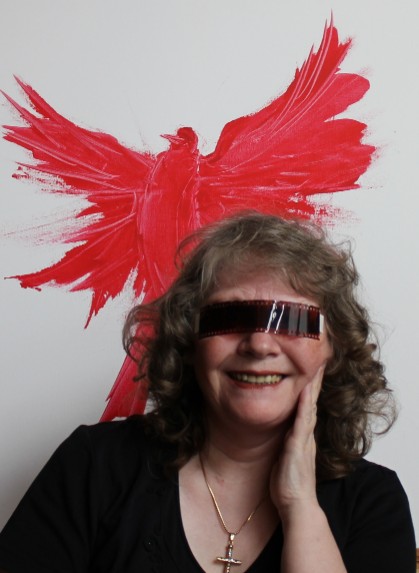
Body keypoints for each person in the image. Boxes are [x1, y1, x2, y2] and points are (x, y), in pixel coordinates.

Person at [0, 211, 415, 572]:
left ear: (334, 348)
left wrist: (300, 505)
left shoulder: (373, 502)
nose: (260, 344)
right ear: (189, 339)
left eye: (291, 321)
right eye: (230, 317)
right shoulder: (94, 464)